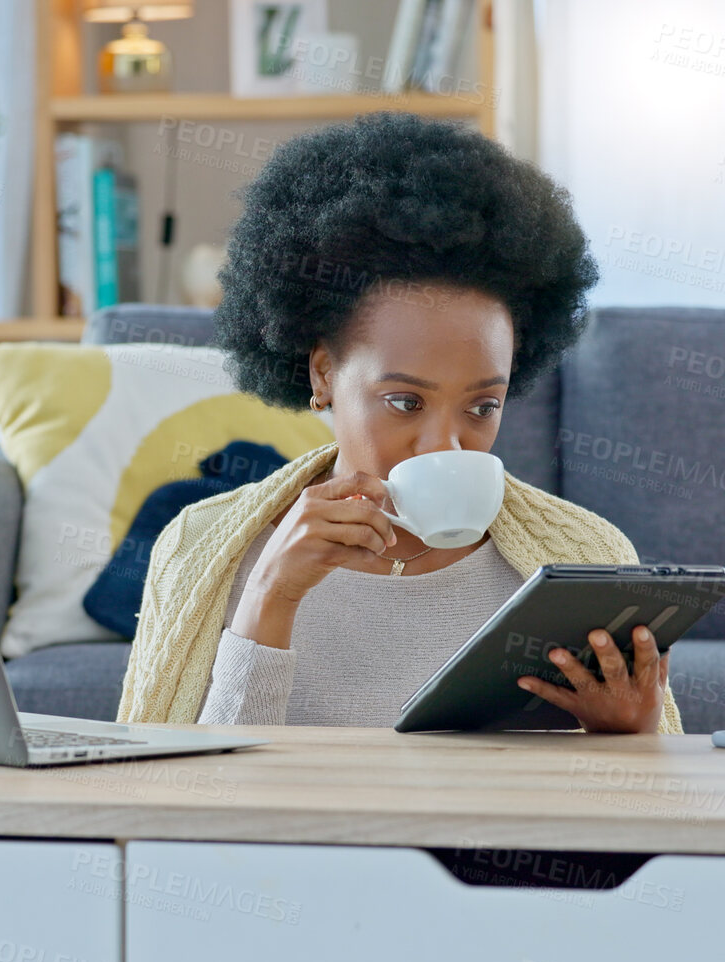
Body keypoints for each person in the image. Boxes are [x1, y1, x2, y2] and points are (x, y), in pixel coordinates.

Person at [115, 112, 681, 735]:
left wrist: (632, 735)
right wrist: (270, 596)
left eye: (482, 406)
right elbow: (196, 806)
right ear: (324, 374)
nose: (445, 443)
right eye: (406, 402)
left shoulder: (588, 560)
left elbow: (628, 817)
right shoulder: (203, 548)